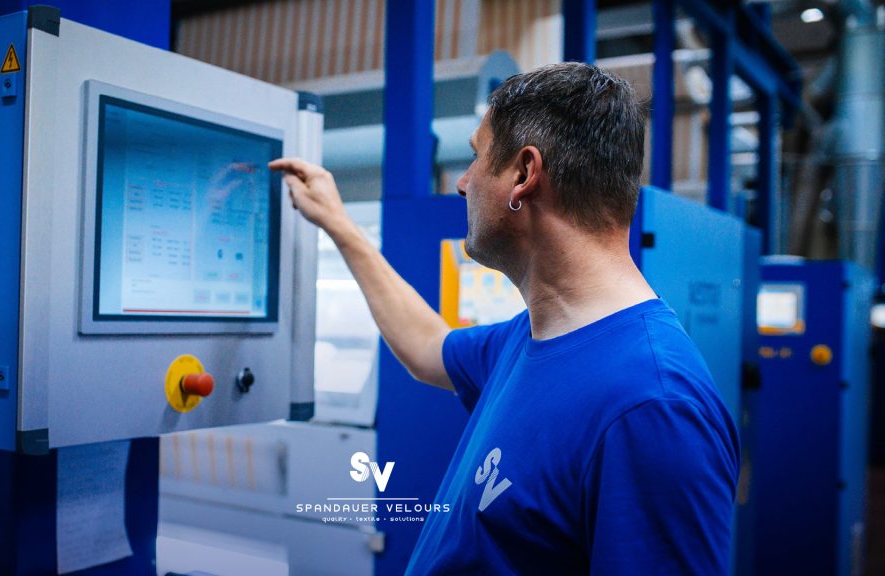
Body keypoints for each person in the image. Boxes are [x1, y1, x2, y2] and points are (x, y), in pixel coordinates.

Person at [270, 62, 739, 575]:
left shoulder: (651, 407)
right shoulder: (532, 337)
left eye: (476, 157)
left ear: (522, 174)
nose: (463, 183)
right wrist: (339, 225)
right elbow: (427, 347)